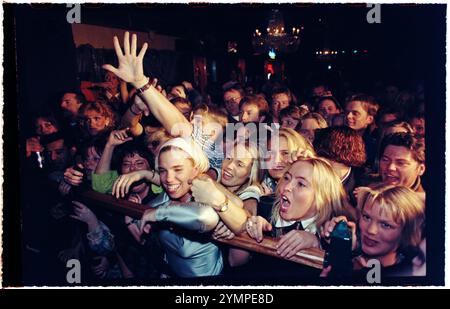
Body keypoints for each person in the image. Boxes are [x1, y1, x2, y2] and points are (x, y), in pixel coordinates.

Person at [235, 156, 355, 278]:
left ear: (323, 198)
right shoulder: (263, 208)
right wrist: (247, 229)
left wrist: (316, 243)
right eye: (286, 178)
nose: (286, 187)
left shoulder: (333, 231)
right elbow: (235, 263)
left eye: (301, 184)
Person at [321, 185, 425, 278]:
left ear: (406, 231)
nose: (371, 230)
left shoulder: (408, 274)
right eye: (366, 217)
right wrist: (337, 246)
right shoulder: (353, 252)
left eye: (386, 225)